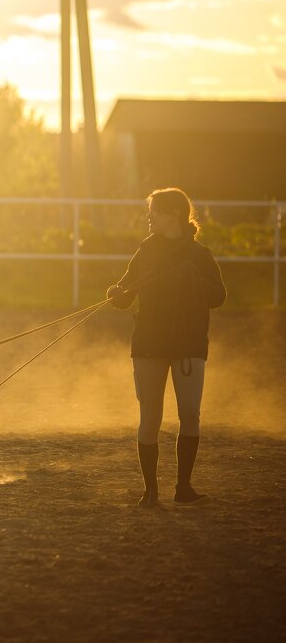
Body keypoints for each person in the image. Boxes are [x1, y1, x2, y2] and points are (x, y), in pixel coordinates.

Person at [106, 187, 226, 509]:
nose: (149, 216)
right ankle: (151, 491)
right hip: (150, 342)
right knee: (150, 417)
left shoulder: (200, 255)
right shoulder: (146, 250)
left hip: (188, 343)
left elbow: (219, 296)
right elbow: (127, 291)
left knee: (189, 414)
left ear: (174, 214)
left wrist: (195, 279)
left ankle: (183, 487)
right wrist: (116, 293)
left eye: (154, 211)